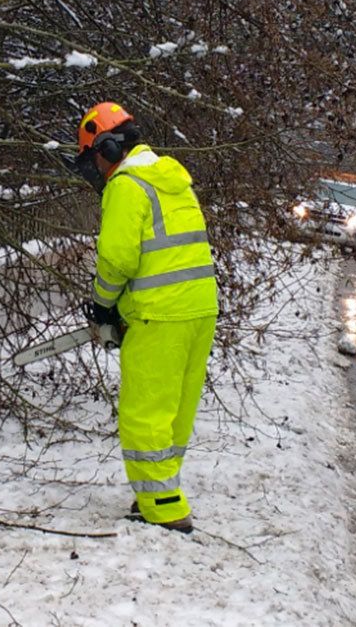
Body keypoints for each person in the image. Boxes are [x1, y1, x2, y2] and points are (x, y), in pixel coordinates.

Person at [72, 102, 218, 533]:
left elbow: (117, 260)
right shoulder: (172, 180)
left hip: (160, 316)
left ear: (110, 148)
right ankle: (158, 491)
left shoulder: (127, 185)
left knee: (143, 416)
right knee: (173, 412)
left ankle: (166, 509)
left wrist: (102, 305)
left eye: (95, 158)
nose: (96, 170)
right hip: (199, 310)